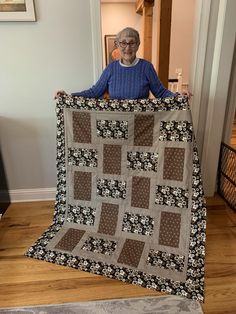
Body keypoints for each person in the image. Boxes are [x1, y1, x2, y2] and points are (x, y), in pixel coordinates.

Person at [55, 27, 177, 100]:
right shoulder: (111, 69)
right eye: (123, 43)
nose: (127, 47)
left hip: (142, 125)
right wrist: (69, 96)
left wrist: (178, 97)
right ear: (118, 45)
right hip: (117, 126)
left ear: (138, 44)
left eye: (132, 43)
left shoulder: (146, 67)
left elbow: (160, 92)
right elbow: (94, 92)